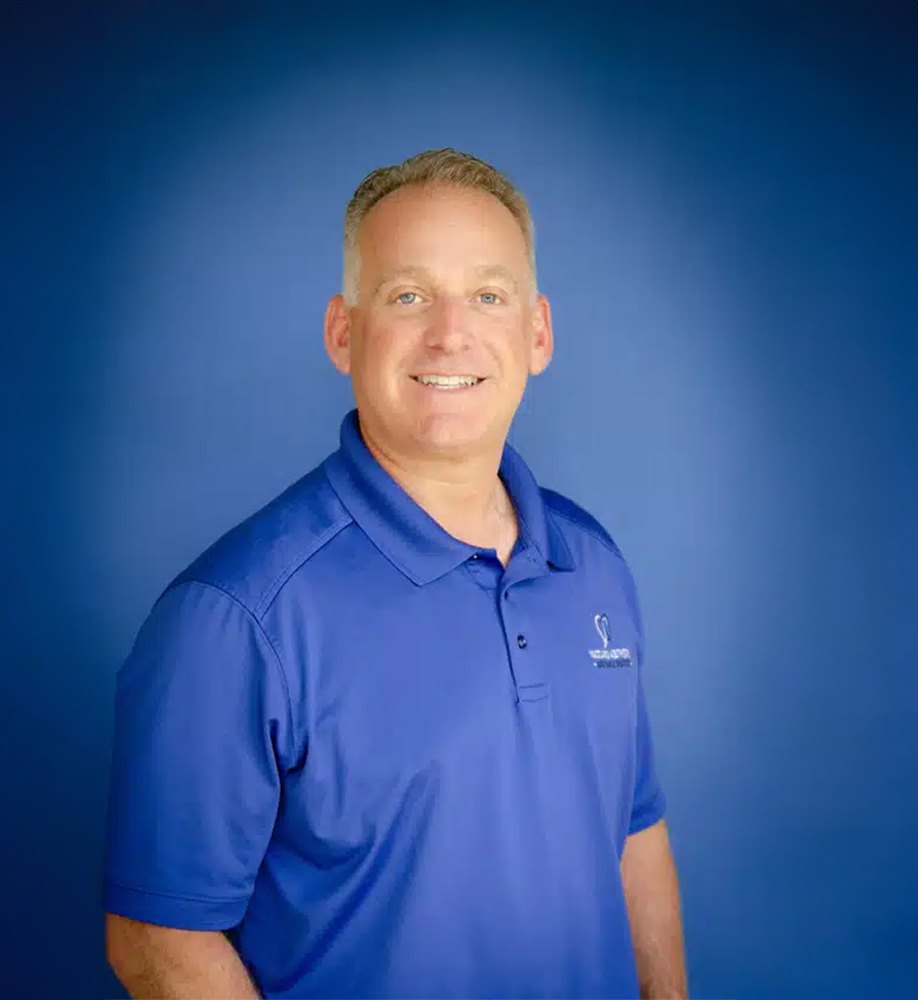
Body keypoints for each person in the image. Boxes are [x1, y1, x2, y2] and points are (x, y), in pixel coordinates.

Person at [102, 148, 688, 999]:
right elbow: (159, 940)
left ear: (538, 333)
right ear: (345, 332)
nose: (451, 333)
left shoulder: (590, 562)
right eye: (407, 295)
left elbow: (634, 829)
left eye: (488, 295)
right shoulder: (234, 616)